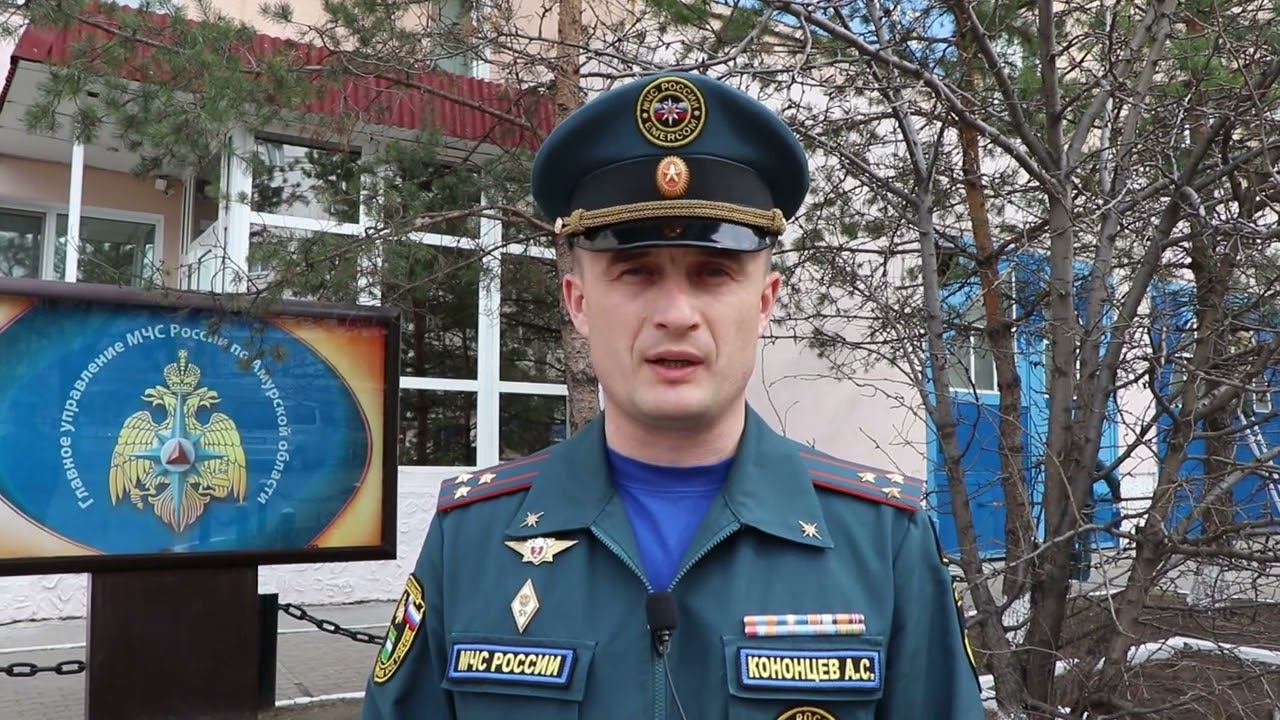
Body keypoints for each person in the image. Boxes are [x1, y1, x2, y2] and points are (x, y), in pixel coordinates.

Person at [362, 71, 984, 719]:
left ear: (764, 301)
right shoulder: (472, 541)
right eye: (636, 272)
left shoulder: (882, 543)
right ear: (578, 303)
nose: (677, 314)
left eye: (714, 273)